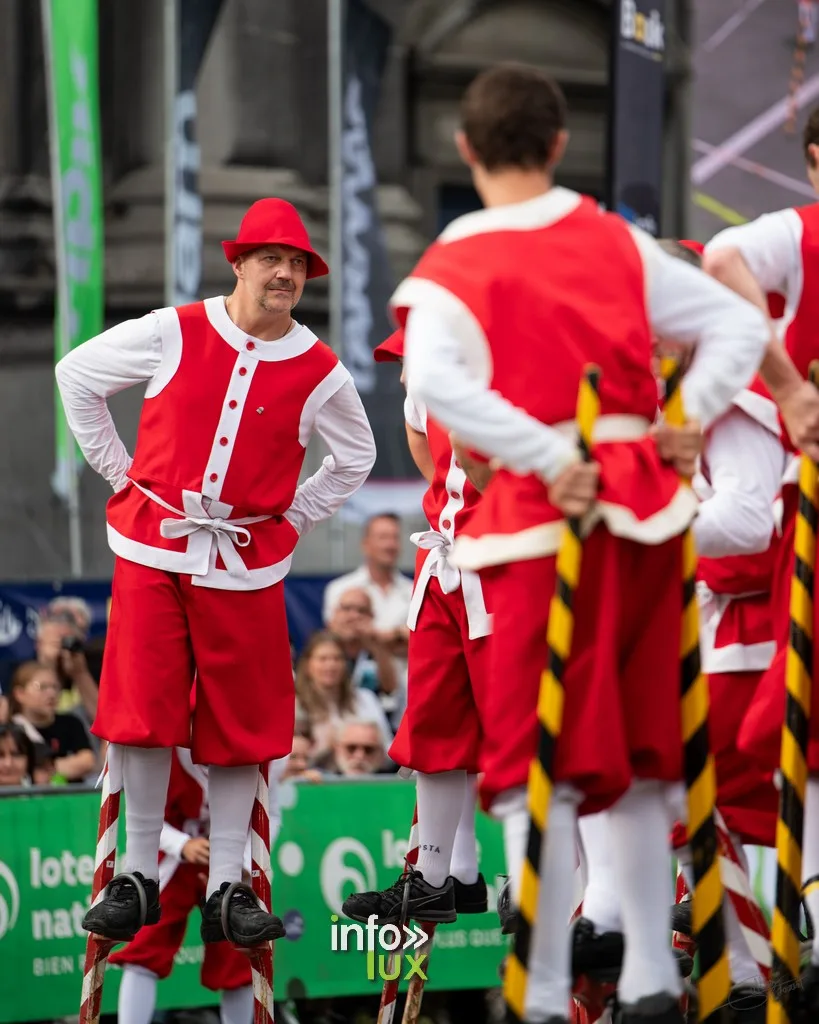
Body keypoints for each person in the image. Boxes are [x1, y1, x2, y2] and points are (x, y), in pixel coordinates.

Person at [394, 63, 778, 1024]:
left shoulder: (455, 257)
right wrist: (680, 416)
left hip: (535, 519)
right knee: (648, 746)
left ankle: (550, 981)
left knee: (539, 755)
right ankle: (649, 971)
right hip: (642, 510)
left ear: (467, 148)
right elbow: (733, 326)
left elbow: (435, 384)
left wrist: (538, 450)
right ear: (561, 143)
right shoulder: (616, 242)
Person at [55, 197, 376, 946]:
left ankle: (229, 885)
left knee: (241, 725)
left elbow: (354, 458)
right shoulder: (173, 330)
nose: (285, 275)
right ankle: (135, 876)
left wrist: (292, 516)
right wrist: (121, 475)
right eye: (272, 260)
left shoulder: (320, 369)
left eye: (297, 265)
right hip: (153, 546)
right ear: (238, 263)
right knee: (139, 710)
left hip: (246, 565)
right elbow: (76, 376)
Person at [702, 106, 819, 1007]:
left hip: (751, 607)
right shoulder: (730, 392)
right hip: (741, 613)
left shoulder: (732, 390)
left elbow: (739, 521)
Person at [342, 327, 491, 927]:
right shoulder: (423, 395)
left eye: (412, 358)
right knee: (435, 720)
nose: (403, 374)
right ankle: (436, 875)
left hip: (498, 563)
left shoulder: (487, 381)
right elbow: (428, 450)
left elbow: (492, 468)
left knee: (520, 729)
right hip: (448, 562)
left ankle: (557, 878)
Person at [109, 748, 288, 1024]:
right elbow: (140, 808)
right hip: (171, 864)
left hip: (234, 867)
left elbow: (270, 813)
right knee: (145, 950)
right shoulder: (164, 747)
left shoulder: (257, 749)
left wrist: (245, 860)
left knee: (238, 954)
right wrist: (181, 845)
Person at [294, 631, 393, 761]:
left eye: (337, 658)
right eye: (323, 659)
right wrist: (325, 748)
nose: (331, 665)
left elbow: (387, 748)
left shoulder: (364, 699)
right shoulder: (295, 704)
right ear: (308, 664)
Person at [322, 514, 413, 650]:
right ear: (365, 544)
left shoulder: (415, 591)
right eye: (383, 537)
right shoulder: (339, 588)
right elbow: (337, 638)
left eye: (395, 538)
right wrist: (398, 636)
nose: (390, 545)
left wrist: (371, 634)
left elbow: (423, 643)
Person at [9, 662, 95, 782]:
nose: (51, 694)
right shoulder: (12, 730)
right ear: (20, 693)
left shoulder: (71, 723)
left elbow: (87, 761)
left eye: (55, 687)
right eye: (42, 687)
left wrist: (46, 769)